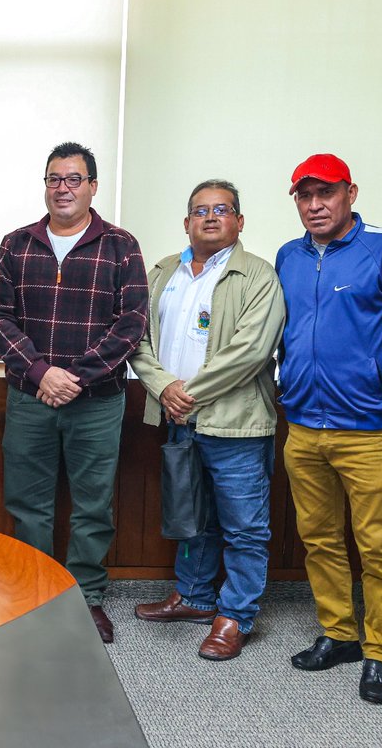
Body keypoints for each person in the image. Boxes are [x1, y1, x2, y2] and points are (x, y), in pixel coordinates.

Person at [276, 153, 382, 704]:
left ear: (350, 193)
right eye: (304, 195)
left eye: (325, 193)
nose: (314, 204)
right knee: (319, 540)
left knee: (378, 547)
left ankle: (380, 652)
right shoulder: (289, 256)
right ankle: (339, 634)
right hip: (302, 427)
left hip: (370, 430)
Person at [0, 141, 148, 643]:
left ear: (93, 186)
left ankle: (86, 597)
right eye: (54, 178)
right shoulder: (16, 244)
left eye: (74, 179)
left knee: (93, 503)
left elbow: (132, 323)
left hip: (97, 402)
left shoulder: (121, 245)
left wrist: (73, 375)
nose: (63, 188)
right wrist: (39, 372)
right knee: (28, 502)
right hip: (30, 398)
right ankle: (36, 592)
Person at [128, 180, 285, 661]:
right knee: (192, 518)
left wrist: (186, 393)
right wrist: (164, 388)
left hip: (236, 424)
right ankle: (194, 597)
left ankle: (235, 616)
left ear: (239, 220)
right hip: (178, 419)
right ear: (186, 222)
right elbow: (136, 340)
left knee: (244, 528)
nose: (210, 217)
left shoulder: (259, 276)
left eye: (222, 209)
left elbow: (252, 351)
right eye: (200, 210)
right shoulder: (160, 273)